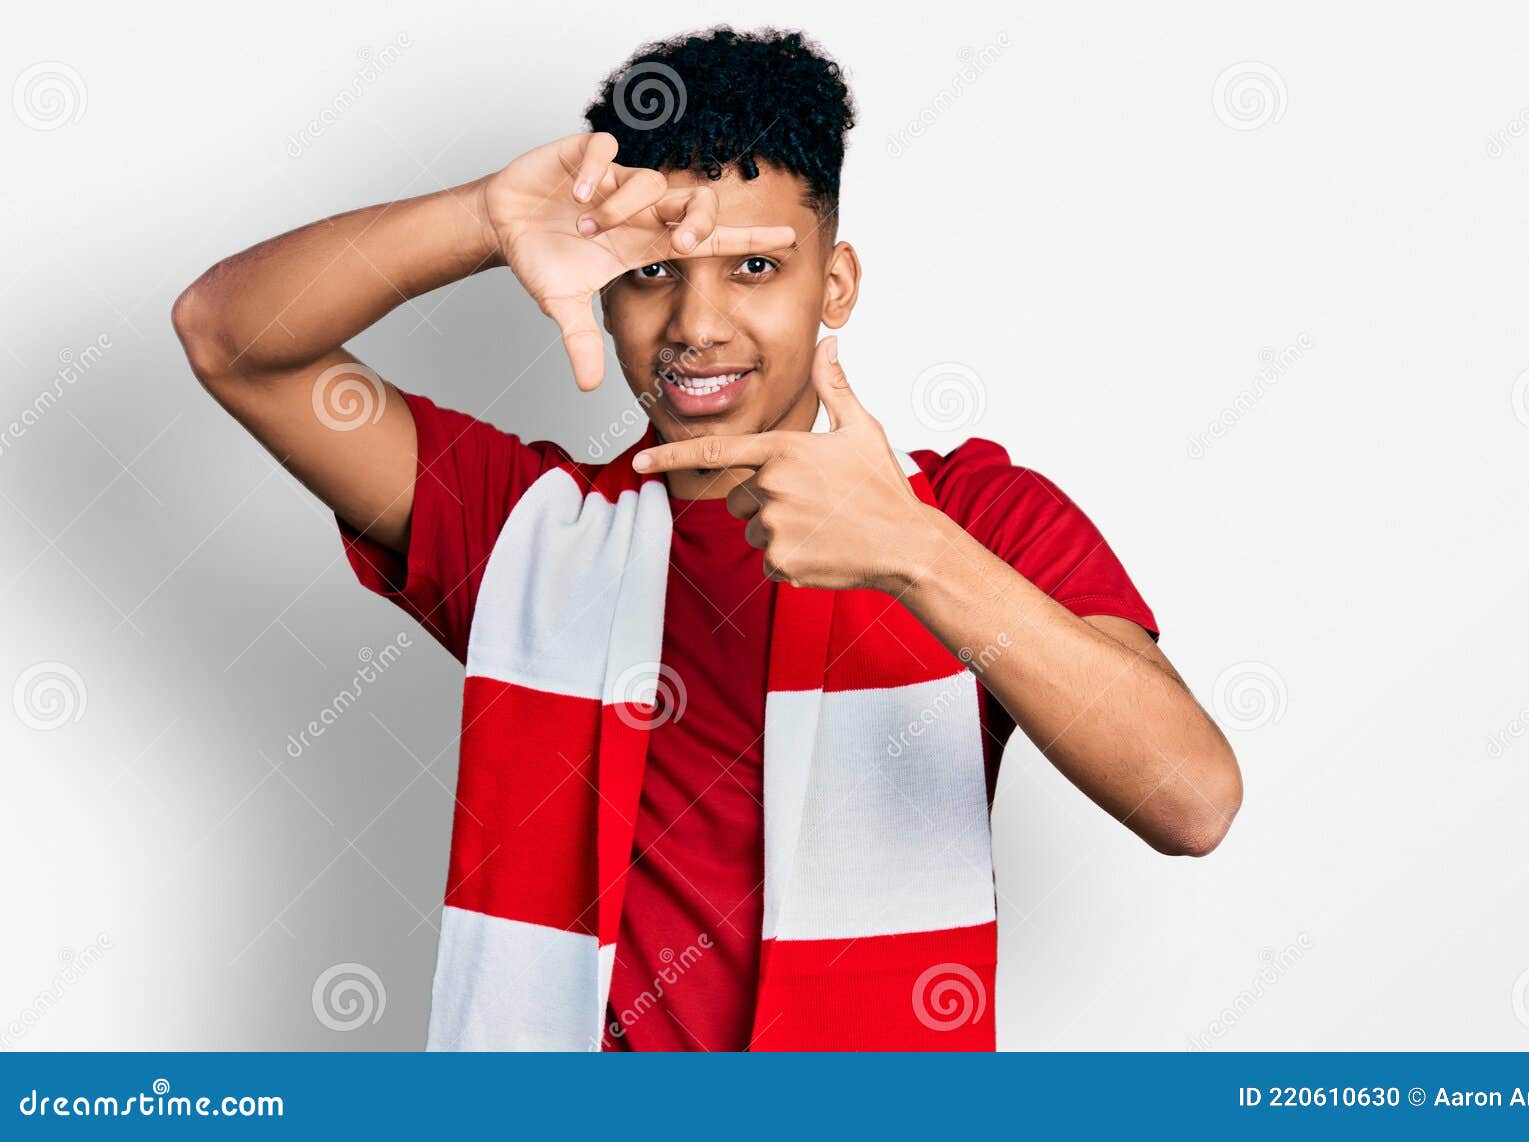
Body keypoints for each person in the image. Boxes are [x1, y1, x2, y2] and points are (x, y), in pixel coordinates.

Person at [171, 26, 1242, 1052]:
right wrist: (483, 218)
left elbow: (1190, 800)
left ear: (837, 284)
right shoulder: (521, 523)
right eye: (651, 271)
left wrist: (917, 554)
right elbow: (230, 338)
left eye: (754, 268)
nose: (695, 323)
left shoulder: (973, 519)